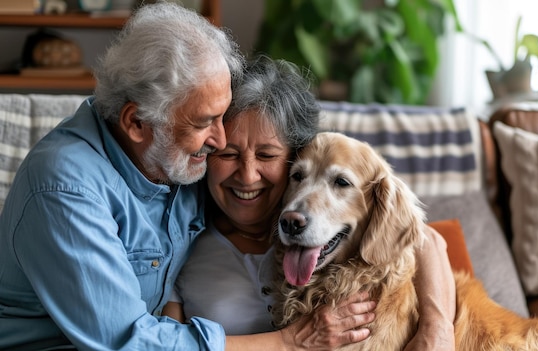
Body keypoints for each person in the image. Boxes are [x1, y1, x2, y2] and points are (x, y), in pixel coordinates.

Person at [0, 3, 376, 350]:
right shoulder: (64, 187)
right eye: (204, 122)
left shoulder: (177, 158)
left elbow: (399, 223)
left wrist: (436, 328)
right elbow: (130, 342)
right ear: (136, 122)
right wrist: (289, 342)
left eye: (221, 116)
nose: (220, 140)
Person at [163, 55, 456, 350]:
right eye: (228, 155)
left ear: (291, 154)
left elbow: (426, 238)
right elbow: (165, 343)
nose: (248, 176)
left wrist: (437, 328)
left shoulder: (322, 236)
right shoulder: (178, 240)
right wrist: (290, 341)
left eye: (266, 155)